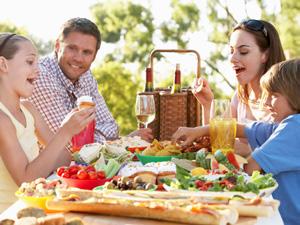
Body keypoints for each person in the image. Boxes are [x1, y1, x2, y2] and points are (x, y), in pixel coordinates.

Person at [173, 59, 300, 225]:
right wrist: (200, 130)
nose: (267, 103)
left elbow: (251, 167)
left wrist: (210, 182)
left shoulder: (295, 126)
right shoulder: (284, 125)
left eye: (274, 96)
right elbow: (242, 129)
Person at [0, 33, 95, 211]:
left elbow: (62, 160)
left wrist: (88, 159)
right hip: (11, 215)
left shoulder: (28, 109)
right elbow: (25, 180)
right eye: (29, 62)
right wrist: (65, 131)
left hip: (35, 207)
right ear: (3, 65)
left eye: (37, 62)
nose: (38, 70)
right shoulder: (2, 119)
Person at [29, 17, 153, 146]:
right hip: (47, 165)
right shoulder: (40, 75)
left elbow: (111, 127)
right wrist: (121, 142)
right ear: (58, 46)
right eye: (72, 48)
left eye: (86, 52)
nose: (78, 58)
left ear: (94, 56)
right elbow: (68, 144)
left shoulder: (85, 75)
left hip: (78, 163)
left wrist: (112, 140)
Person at [193, 19, 285, 156]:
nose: (232, 58)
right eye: (231, 51)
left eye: (243, 51)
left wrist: (248, 151)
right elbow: (217, 139)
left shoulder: (284, 99)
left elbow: (288, 148)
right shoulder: (241, 94)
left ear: (265, 55)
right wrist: (207, 104)